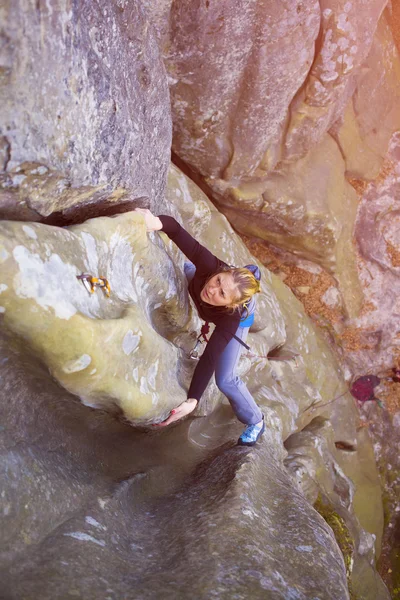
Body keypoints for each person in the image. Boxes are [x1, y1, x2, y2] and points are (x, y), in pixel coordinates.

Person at [135, 208, 265, 446]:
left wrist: (193, 399)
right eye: (218, 281)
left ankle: (256, 420)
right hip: (219, 278)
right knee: (189, 269)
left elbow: (210, 357)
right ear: (220, 272)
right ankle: (249, 275)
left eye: (222, 293)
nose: (212, 290)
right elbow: (173, 228)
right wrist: (153, 222)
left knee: (225, 379)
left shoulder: (231, 320)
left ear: (231, 304)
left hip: (241, 315)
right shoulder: (209, 267)